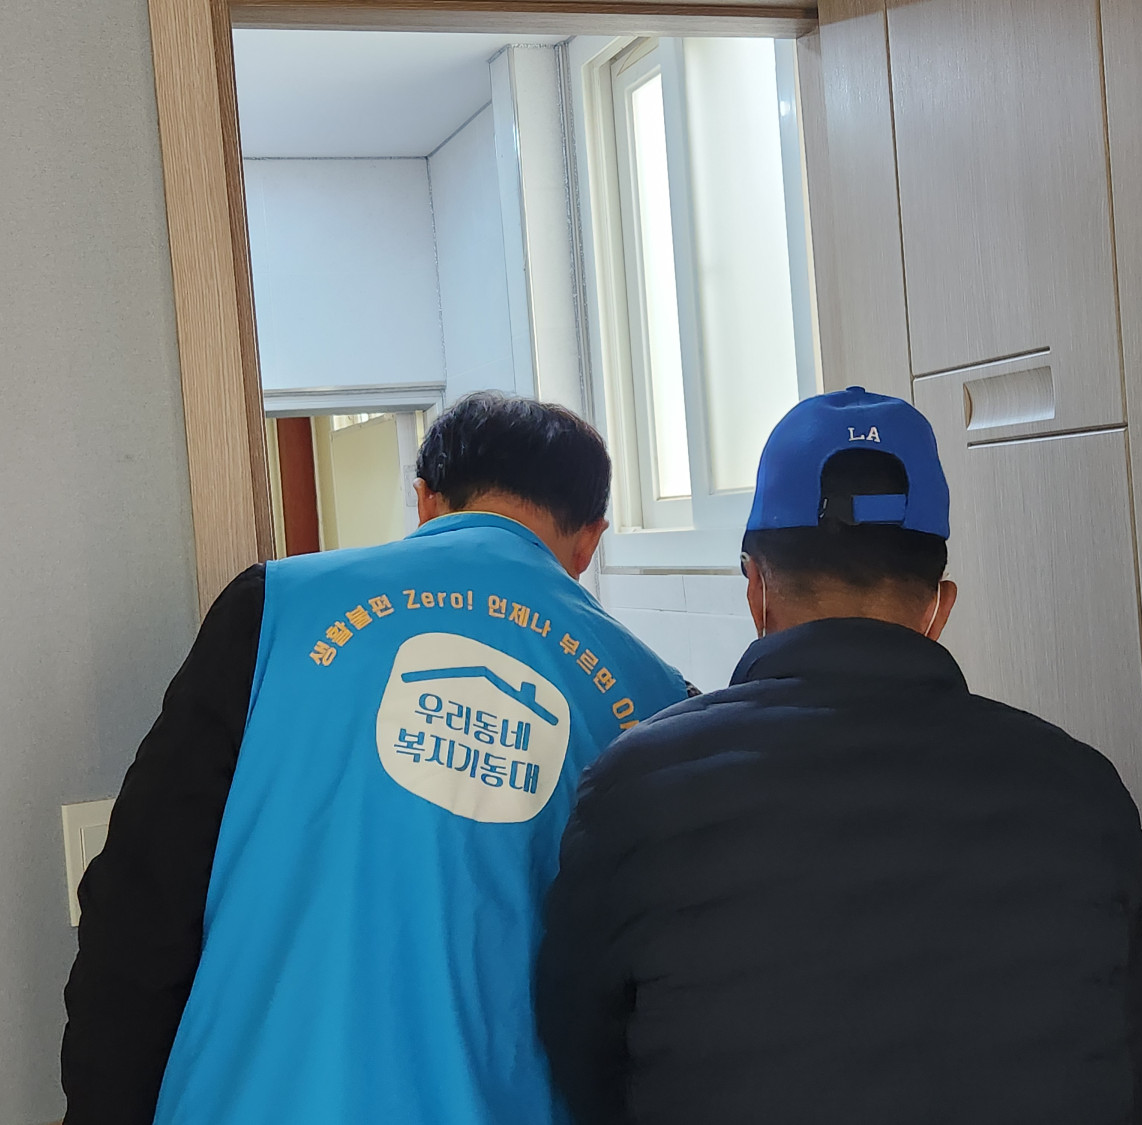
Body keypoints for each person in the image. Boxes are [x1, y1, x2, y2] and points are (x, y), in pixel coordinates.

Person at [535, 386, 1142, 1125]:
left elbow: (584, 1061)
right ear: (940, 605)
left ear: (756, 588)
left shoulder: (637, 790)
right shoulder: (1084, 793)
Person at [63, 392, 689, 1125]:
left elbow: (141, 910)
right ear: (590, 541)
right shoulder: (661, 699)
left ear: (424, 501)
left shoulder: (273, 611)